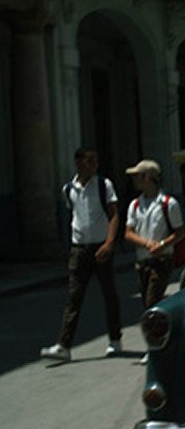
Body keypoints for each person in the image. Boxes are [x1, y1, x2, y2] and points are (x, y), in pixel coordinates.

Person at [41, 148, 123, 361]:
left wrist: (109, 242)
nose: (94, 166)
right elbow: (73, 213)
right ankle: (64, 345)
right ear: (78, 163)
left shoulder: (104, 185)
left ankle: (115, 339)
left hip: (101, 247)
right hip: (79, 249)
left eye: (95, 162)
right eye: (89, 162)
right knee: (74, 297)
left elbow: (114, 214)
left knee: (109, 295)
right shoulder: (68, 189)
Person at [124, 159, 185, 363]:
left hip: (162, 260)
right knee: (149, 305)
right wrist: (146, 243)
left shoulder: (168, 203)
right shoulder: (135, 205)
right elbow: (128, 233)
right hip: (143, 261)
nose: (134, 180)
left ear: (148, 177)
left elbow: (180, 232)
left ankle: (153, 348)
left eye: (137, 176)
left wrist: (162, 244)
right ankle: (164, 339)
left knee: (152, 303)